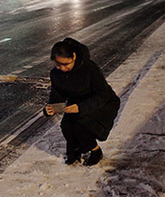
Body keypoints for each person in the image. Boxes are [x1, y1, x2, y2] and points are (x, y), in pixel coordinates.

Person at [44, 38, 120, 166]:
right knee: (67, 126)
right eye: (58, 64)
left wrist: (81, 107)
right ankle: (74, 152)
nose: (62, 68)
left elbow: (103, 94)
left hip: (102, 102)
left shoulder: (89, 68)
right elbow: (57, 94)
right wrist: (50, 108)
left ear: (73, 56)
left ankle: (96, 151)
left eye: (66, 64)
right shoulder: (55, 73)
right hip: (76, 103)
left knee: (81, 125)